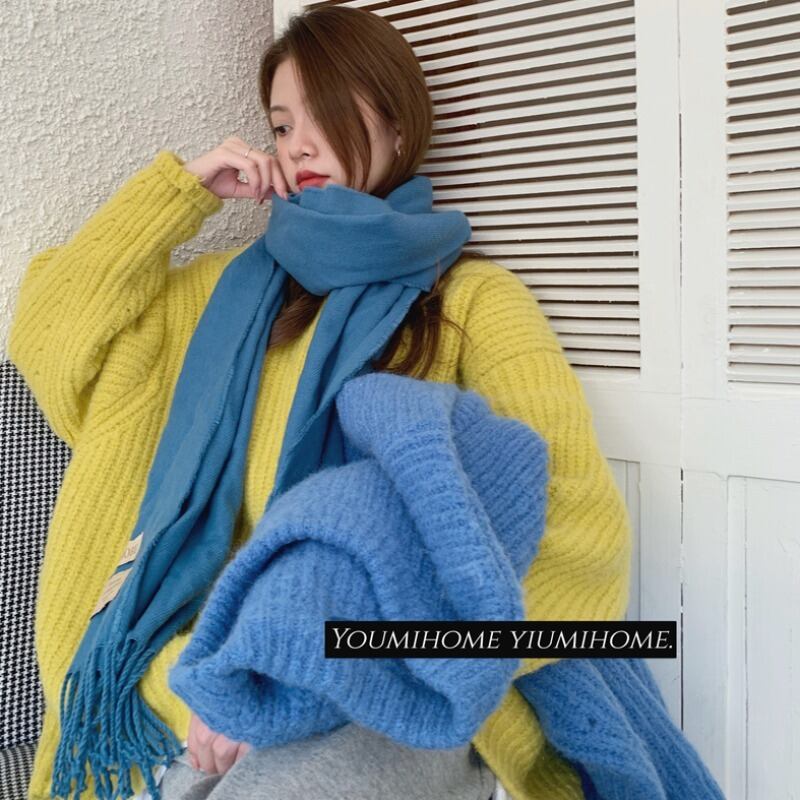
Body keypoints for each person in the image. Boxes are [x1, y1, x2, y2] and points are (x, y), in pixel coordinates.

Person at [8, 5, 631, 800]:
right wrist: (181, 193)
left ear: (398, 126)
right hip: (182, 684)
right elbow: (48, 338)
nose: (297, 144)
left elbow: (581, 532)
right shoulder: (215, 297)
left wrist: (322, 661)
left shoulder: (473, 304)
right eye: (280, 123)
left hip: (382, 689)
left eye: (326, 112)